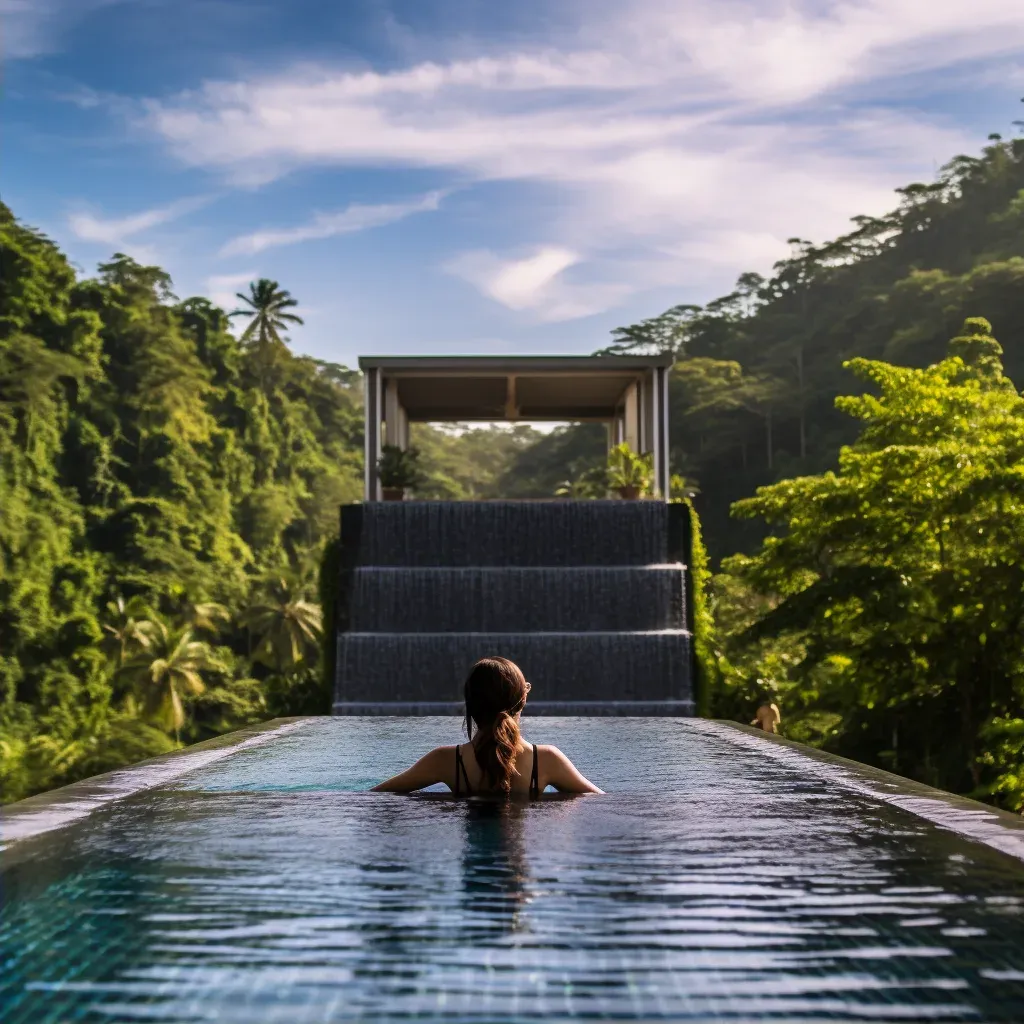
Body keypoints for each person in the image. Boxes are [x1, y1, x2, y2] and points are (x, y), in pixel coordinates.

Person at [371, 656, 603, 796]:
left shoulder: (445, 760)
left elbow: (374, 797)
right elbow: (602, 801)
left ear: (470, 706)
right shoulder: (546, 760)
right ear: (523, 701)